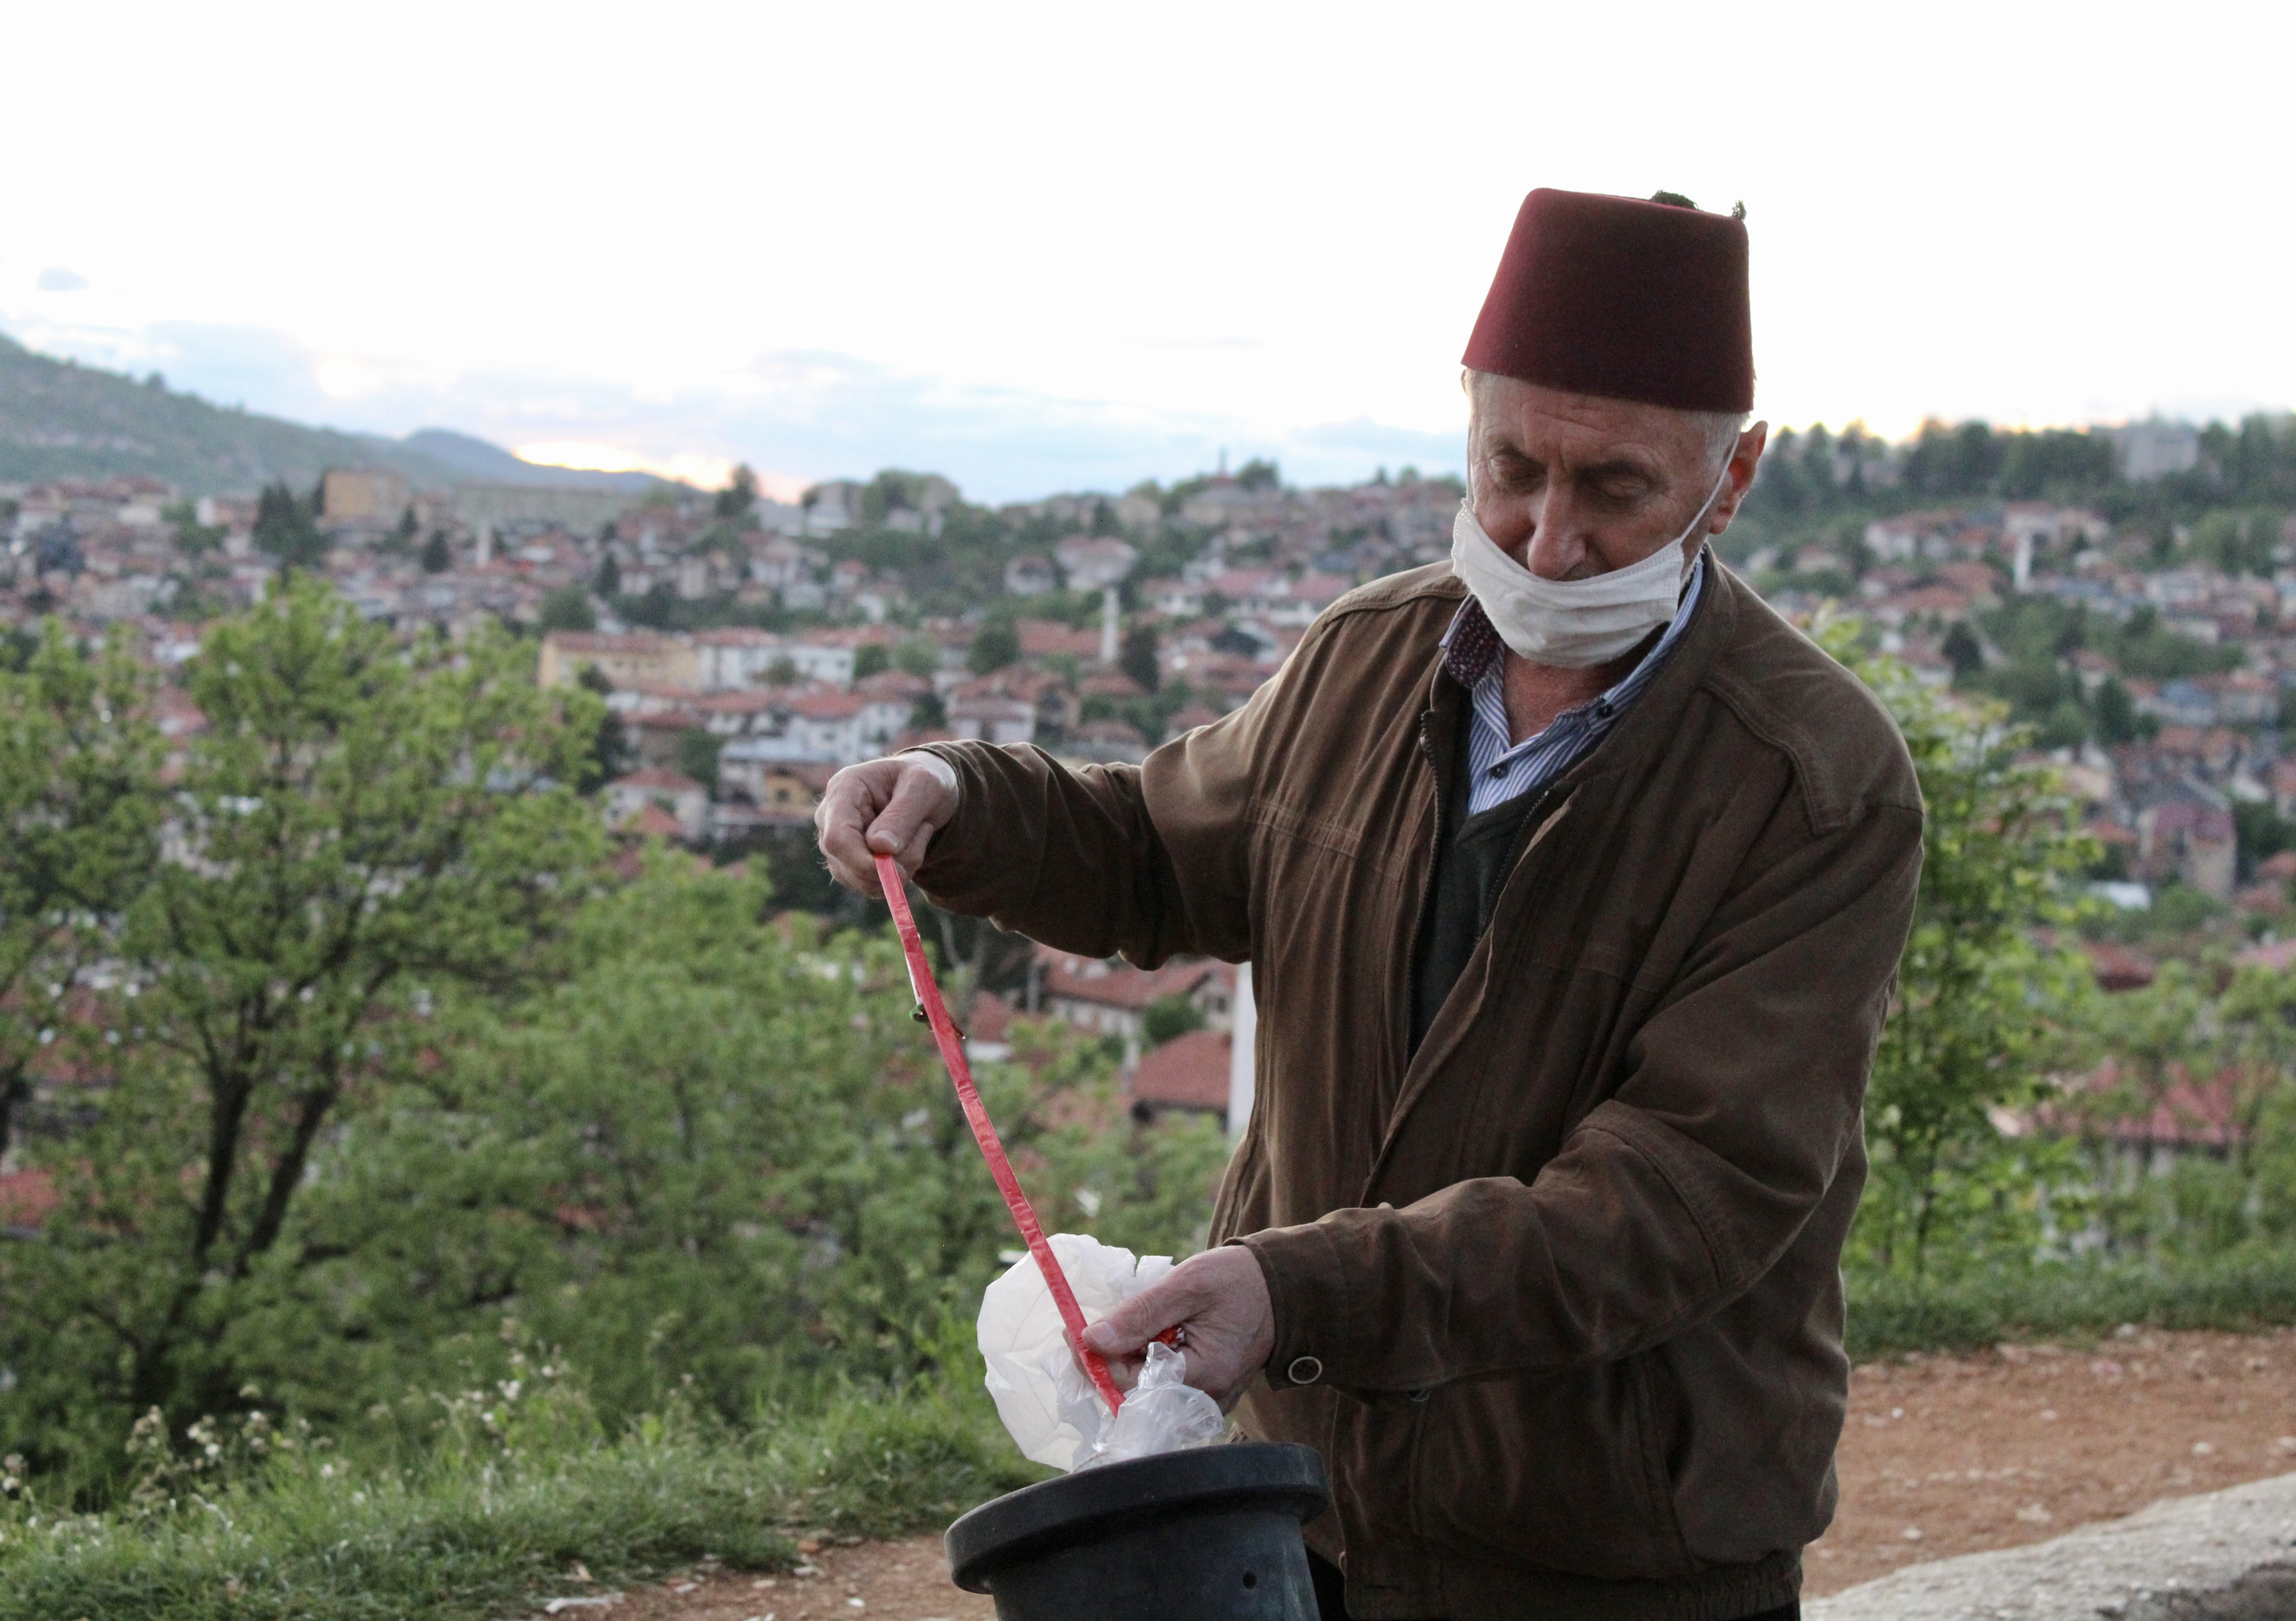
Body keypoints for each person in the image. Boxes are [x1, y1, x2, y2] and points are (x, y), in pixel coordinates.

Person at [818, 188, 1923, 1621]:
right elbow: (1160, 850)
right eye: (1513, 468)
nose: (1548, 541)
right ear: (1468, 420)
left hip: (1616, 1558)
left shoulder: (1813, 785)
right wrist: (963, 801)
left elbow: (1681, 1195)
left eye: (1616, 489)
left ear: (1733, 479)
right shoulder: (1369, 657)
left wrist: (1303, 1294)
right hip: (1313, 1519)